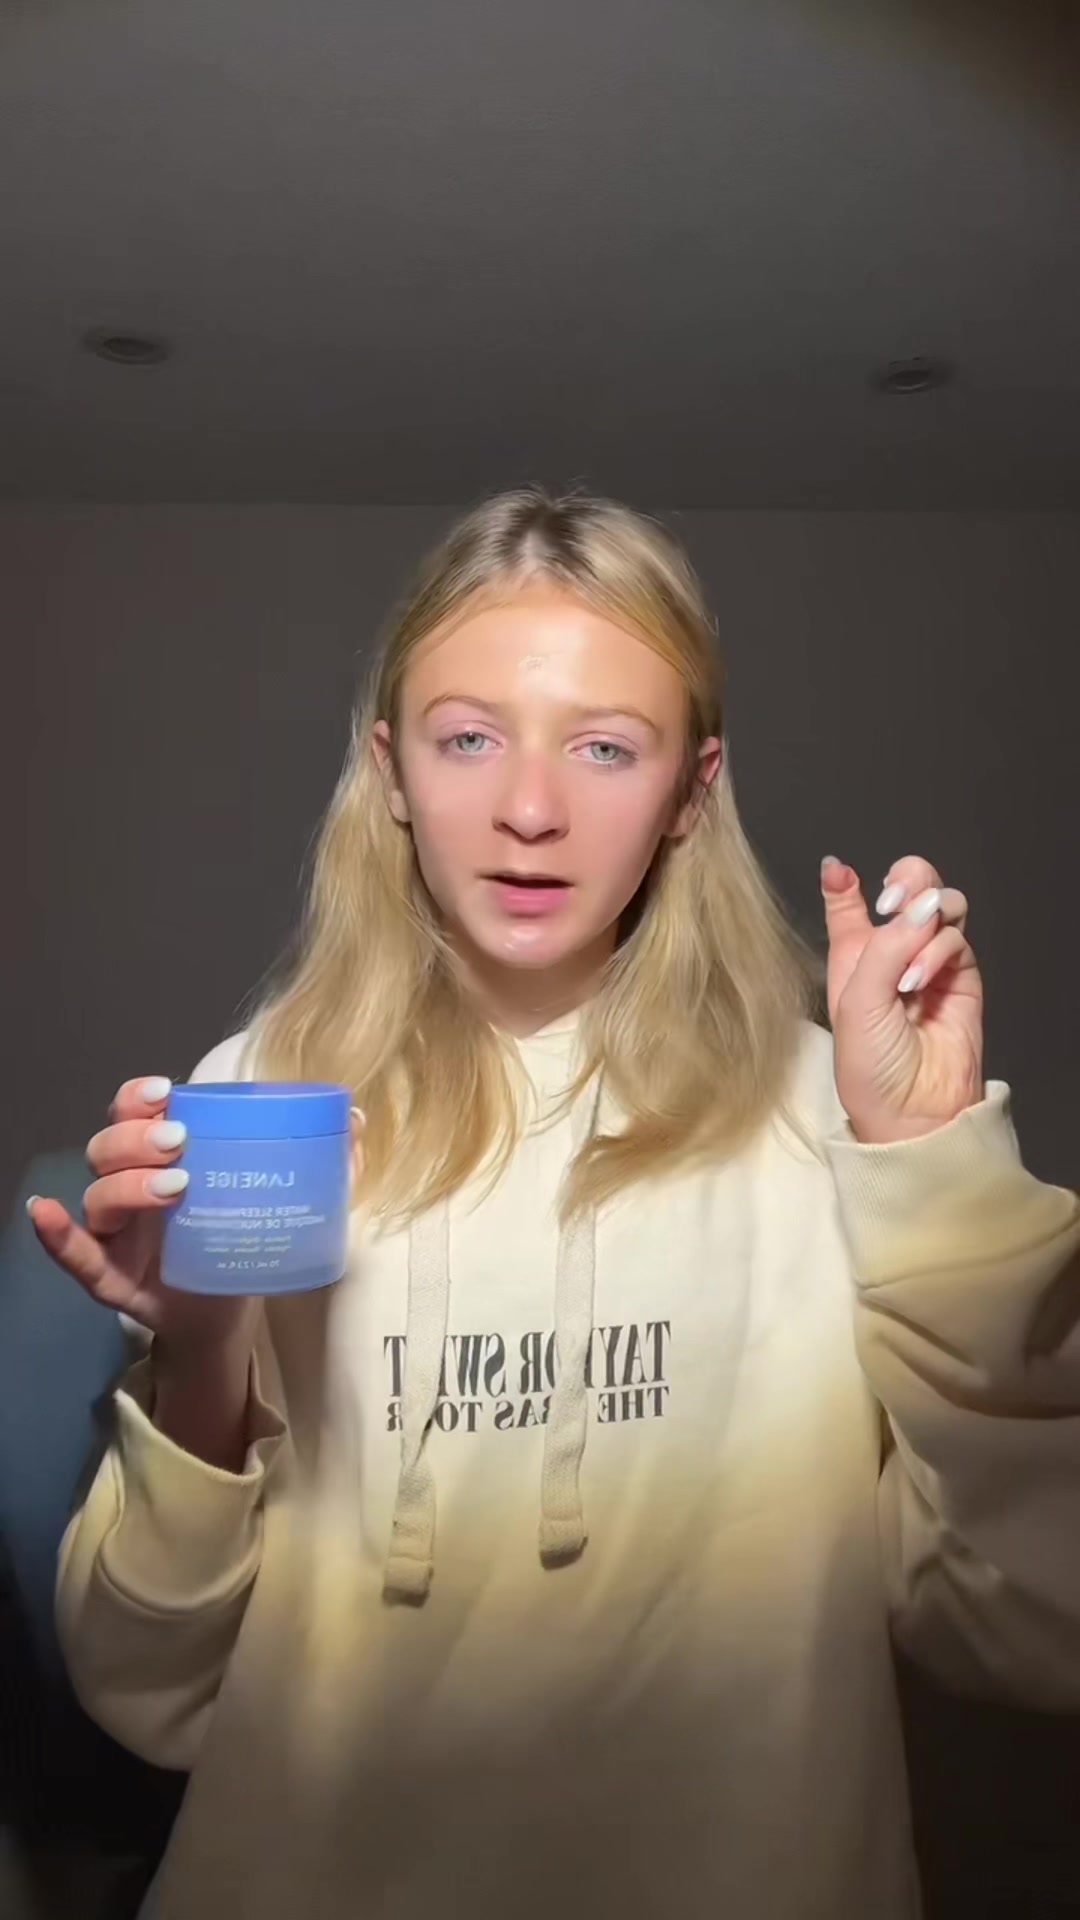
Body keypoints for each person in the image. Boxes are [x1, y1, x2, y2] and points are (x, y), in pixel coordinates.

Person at [29, 488, 1080, 1920]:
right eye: (470, 738)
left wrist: (937, 1167)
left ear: (692, 792)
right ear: (391, 771)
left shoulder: (837, 1110)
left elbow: (1040, 1621)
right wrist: (200, 1353)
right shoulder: (265, 1099)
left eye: (605, 747)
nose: (531, 810)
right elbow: (148, 1691)